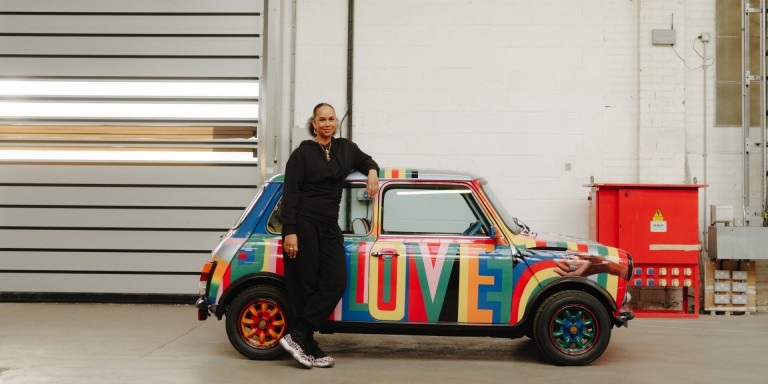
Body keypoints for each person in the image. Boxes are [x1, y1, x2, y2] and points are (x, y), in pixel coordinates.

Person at [278, 103, 379, 368]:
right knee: (307, 285)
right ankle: (306, 343)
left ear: (336, 122)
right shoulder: (302, 154)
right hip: (303, 224)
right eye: (321, 119)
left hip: (329, 226)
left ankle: (298, 335)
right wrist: (290, 231)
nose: (327, 124)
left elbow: (368, 160)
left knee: (335, 281)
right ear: (313, 123)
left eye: (331, 119)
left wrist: (372, 172)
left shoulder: (346, 149)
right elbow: (290, 195)